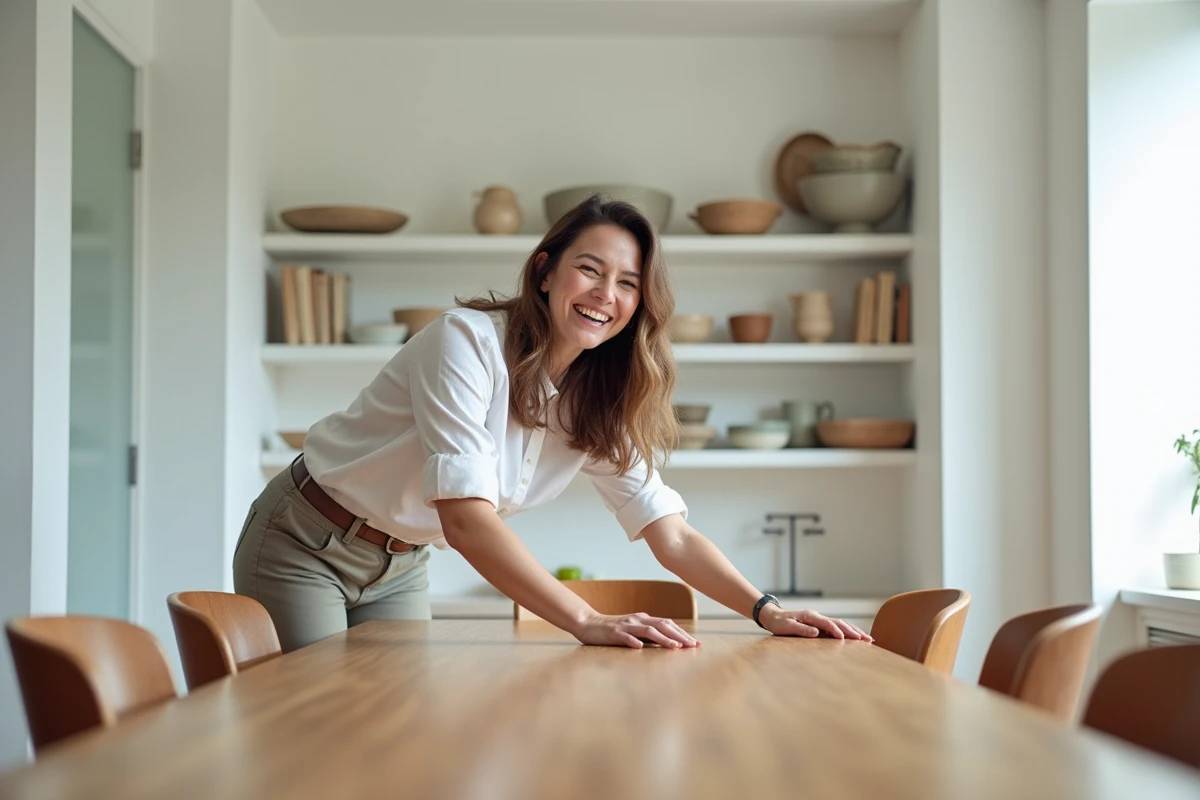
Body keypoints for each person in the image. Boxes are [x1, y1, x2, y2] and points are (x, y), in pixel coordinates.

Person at [233, 195, 873, 652]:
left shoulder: (599, 398)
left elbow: (670, 534)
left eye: (628, 283)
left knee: (398, 720)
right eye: (590, 269)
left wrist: (769, 611)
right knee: (312, 727)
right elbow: (465, 517)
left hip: (403, 562)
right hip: (307, 542)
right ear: (545, 272)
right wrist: (585, 620)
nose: (606, 294)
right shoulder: (466, 342)